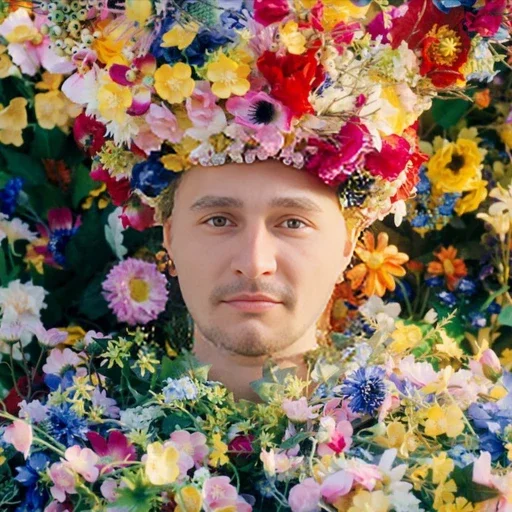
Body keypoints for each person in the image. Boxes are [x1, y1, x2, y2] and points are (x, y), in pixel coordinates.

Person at [160, 159, 357, 400]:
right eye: (218, 221)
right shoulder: (113, 415)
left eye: (293, 223)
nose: (254, 265)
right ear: (170, 239)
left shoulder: (395, 420)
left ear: (346, 247)